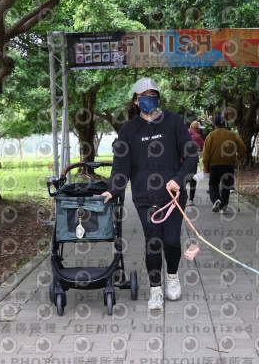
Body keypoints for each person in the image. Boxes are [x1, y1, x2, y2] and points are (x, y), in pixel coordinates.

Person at [101, 78, 199, 311]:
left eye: (152, 95)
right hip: (145, 198)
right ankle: (155, 290)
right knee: (153, 242)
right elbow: (121, 165)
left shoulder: (174, 122)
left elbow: (191, 156)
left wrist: (178, 179)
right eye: (143, 96)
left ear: (158, 98)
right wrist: (113, 189)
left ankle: (172, 276)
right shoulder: (129, 130)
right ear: (136, 100)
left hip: (173, 196)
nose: (149, 99)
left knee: (172, 241)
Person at [202, 115, 246, 214]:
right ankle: (223, 207)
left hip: (215, 165)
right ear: (224, 124)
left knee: (213, 184)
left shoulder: (211, 135)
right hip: (229, 165)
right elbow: (242, 147)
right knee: (226, 186)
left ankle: (216, 199)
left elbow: (206, 153)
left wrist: (205, 165)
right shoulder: (232, 135)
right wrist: (239, 157)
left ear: (215, 124)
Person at [187, 121, 204, 206]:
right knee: (192, 180)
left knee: (181, 180)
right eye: (199, 129)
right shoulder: (197, 137)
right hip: (192, 161)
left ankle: (178, 198)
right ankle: (191, 199)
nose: (200, 131)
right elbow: (203, 146)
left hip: (181, 161)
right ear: (195, 128)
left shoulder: (181, 134)